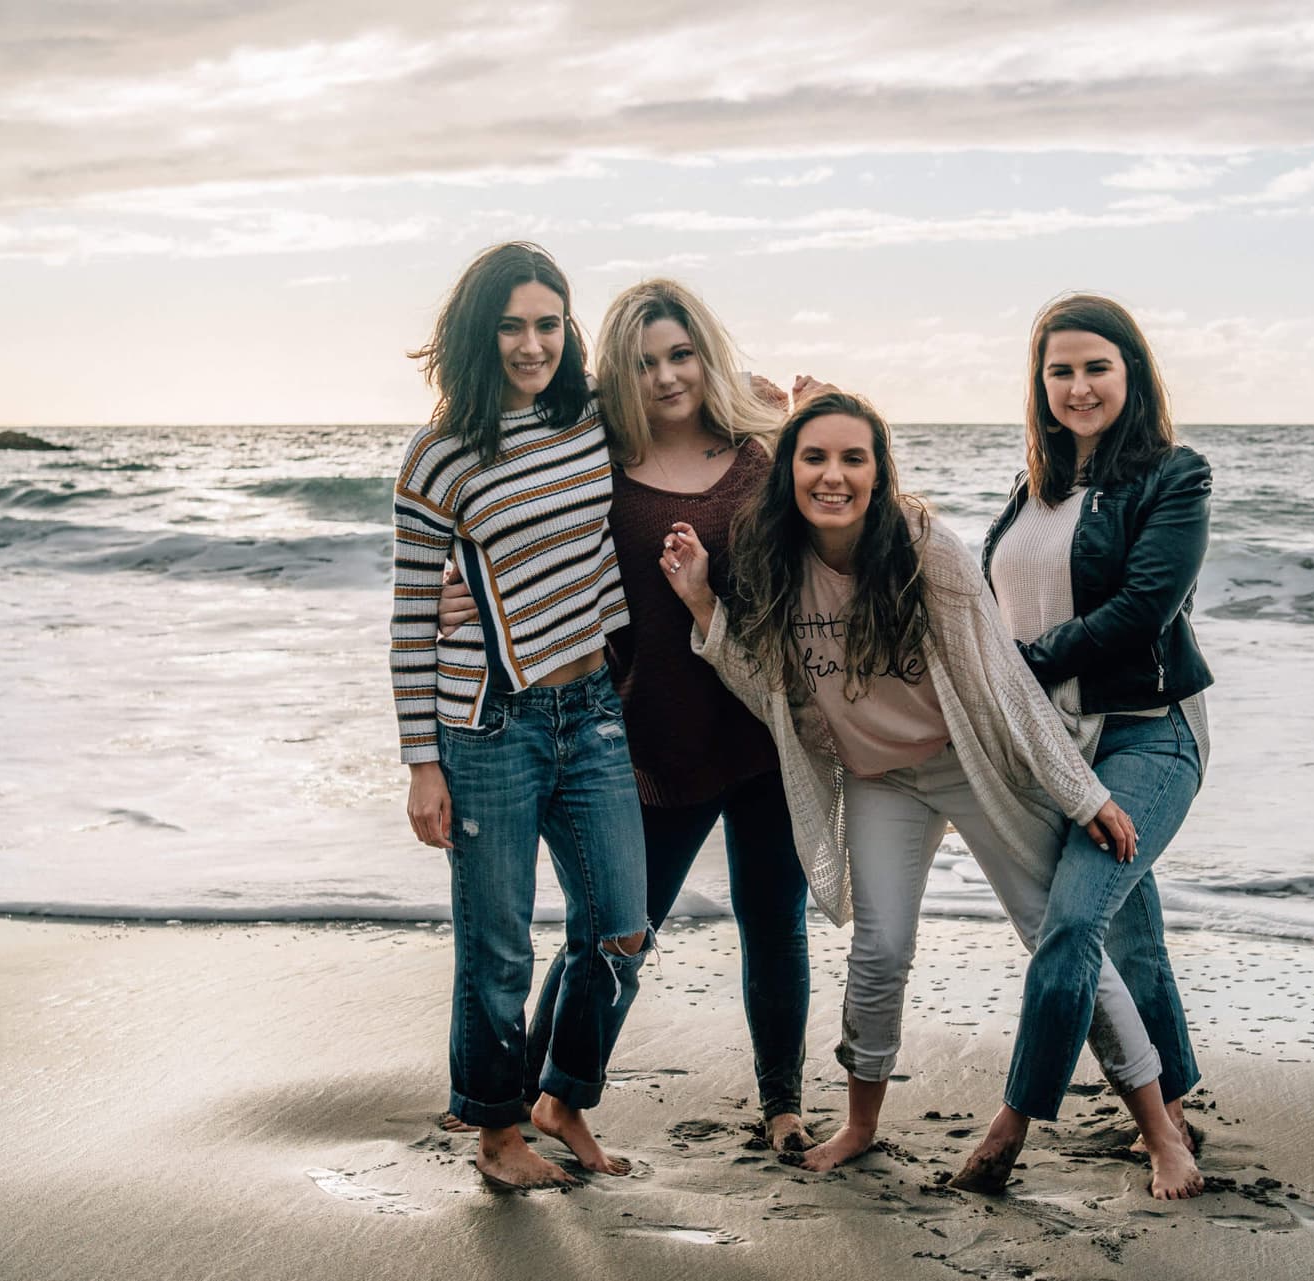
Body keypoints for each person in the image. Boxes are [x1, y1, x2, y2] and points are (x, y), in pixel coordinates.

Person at [658, 390, 1154, 1174]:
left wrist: (1080, 792)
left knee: (1054, 934)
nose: (833, 475)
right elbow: (775, 695)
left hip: (970, 764)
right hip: (879, 781)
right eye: (814, 456)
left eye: (854, 457)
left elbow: (1003, 687)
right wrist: (703, 605)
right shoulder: (776, 564)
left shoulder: (929, 550)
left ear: (880, 471)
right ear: (788, 468)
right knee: (880, 946)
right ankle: (859, 1125)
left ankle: (1160, 1128)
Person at [437, 279, 818, 1152]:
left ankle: (783, 1103)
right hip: (650, 739)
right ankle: (529, 1090)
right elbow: (522, 545)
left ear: (706, 355)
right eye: (644, 362)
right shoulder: (595, 459)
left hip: (765, 730)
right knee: (611, 934)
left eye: (681, 354)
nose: (666, 376)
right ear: (618, 373)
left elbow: (837, 523)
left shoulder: (761, 456)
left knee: (775, 921)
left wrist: (806, 402)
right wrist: (465, 600)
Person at [393, 241, 650, 1190]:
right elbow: (411, 615)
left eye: (548, 323)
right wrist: (421, 762)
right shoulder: (437, 457)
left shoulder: (588, 419)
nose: (532, 343)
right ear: (479, 332)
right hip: (487, 726)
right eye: (512, 325)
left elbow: (679, 406)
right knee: (498, 946)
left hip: (590, 712)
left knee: (621, 924)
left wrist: (766, 403)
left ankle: (561, 1096)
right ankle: (499, 1138)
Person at [951, 293, 1213, 1199]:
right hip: (1052, 746)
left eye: (1096, 366)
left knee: (1074, 923)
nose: (1078, 385)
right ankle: (1171, 1108)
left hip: (1148, 733)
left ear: (1131, 372)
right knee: (1130, 936)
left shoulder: (1177, 476)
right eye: (1059, 369)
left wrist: (1023, 665)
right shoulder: (1031, 486)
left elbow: (1144, 607)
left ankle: (1013, 1120)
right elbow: (988, 603)